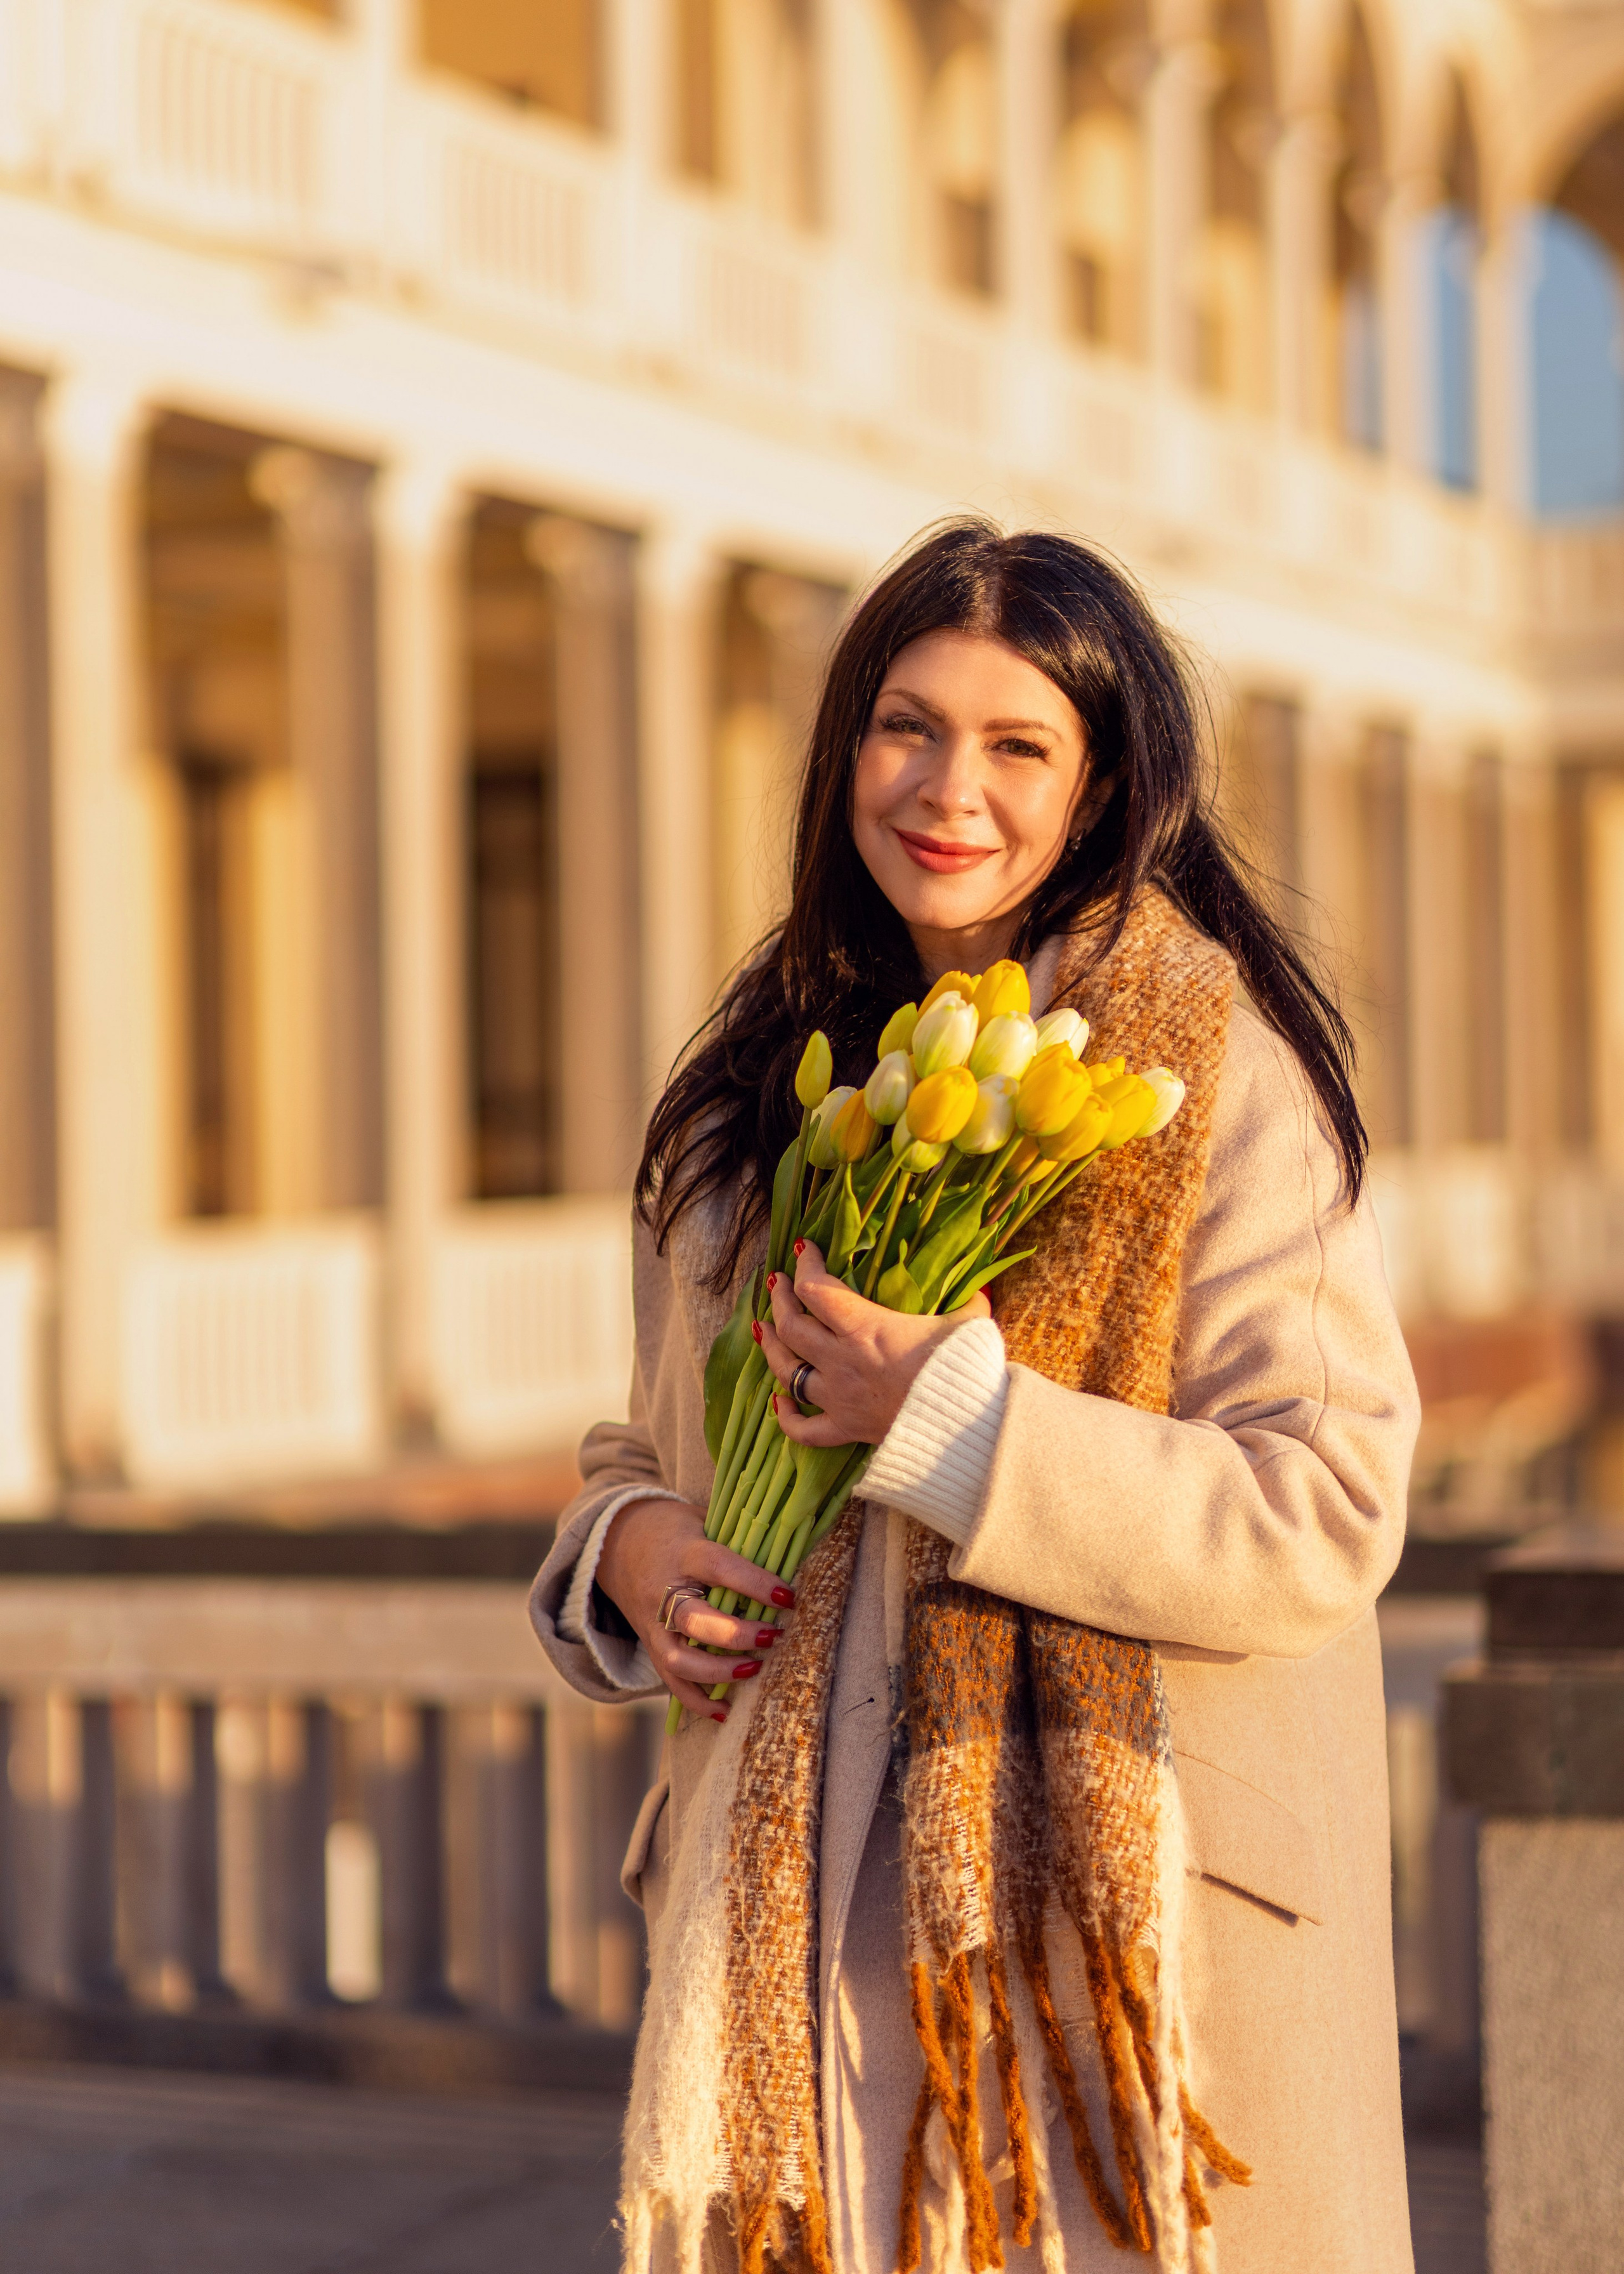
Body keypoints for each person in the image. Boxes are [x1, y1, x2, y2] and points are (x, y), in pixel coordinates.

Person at [532, 520, 1418, 2274]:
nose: (951, 789)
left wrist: (953, 1419)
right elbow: (642, 1444)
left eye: (1020, 746)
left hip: (1122, 1986)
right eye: (907, 728)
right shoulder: (756, 1100)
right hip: (789, 1951)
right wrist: (630, 1551)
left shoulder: (1212, 1089)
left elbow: (1322, 1514)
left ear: (1101, 792)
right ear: (845, 748)